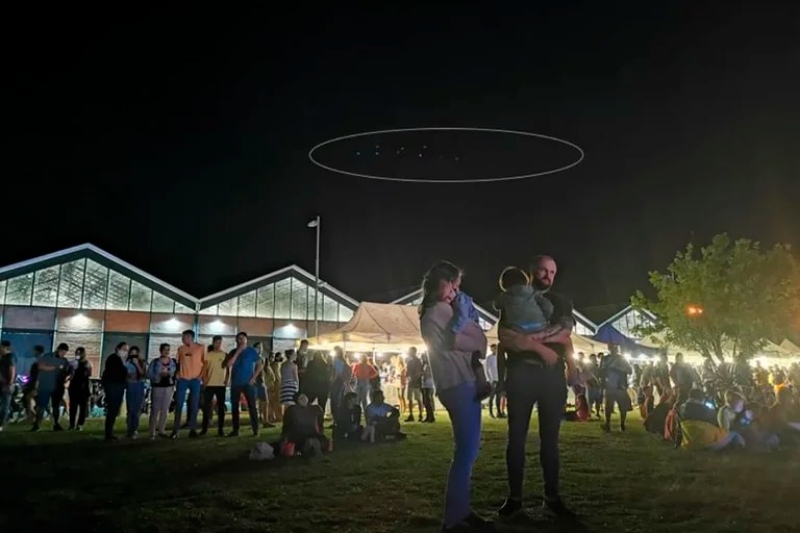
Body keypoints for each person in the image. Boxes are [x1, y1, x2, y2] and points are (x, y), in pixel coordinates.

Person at [497, 255, 575, 520]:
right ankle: (514, 498)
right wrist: (539, 345)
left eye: (552, 271)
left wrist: (528, 340)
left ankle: (551, 497)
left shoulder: (561, 301)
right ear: (530, 271)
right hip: (520, 375)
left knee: (550, 440)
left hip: (552, 376)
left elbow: (566, 336)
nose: (548, 275)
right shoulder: (510, 299)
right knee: (516, 438)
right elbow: (505, 339)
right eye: (543, 269)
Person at [418, 260, 491, 532]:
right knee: (466, 453)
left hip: (454, 384)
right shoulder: (440, 311)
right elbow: (471, 342)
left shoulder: (431, 311)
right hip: (458, 382)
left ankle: (461, 510)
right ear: (443, 282)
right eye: (454, 285)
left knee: (466, 451)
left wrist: (477, 340)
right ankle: (454, 518)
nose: (456, 292)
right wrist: (479, 340)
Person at [494, 266, 577, 383]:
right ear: (525, 280)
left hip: (518, 331)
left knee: (502, 346)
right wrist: (546, 317)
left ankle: (500, 383)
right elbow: (547, 306)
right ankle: (573, 375)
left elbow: (497, 307)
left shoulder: (505, 297)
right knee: (566, 340)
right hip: (539, 329)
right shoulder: (533, 293)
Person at [225, 331, 261, 437]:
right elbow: (228, 364)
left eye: (242, 338)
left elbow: (260, 364)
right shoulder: (233, 352)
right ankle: (235, 430)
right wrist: (238, 352)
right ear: (236, 340)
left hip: (248, 384)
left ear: (246, 340)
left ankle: (255, 429)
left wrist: (253, 377)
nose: (240, 340)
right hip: (235, 383)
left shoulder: (251, 351)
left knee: (252, 406)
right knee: (235, 407)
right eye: (238, 339)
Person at [172, 329, 206, 439]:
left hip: (195, 380)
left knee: (194, 404)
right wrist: (177, 373)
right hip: (182, 379)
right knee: (179, 403)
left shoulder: (200, 348)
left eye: (184, 337)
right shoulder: (181, 349)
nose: (182, 339)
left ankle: (192, 429)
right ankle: (175, 430)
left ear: (190, 337)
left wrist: (200, 376)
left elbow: (205, 363)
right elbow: (178, 363)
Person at [31, 343, 71, 432]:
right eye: (62, 352)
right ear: (58, 349)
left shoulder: (64, 361)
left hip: (58, 386)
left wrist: (67, 379)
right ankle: (37, 425)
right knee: (42, 405)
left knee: (56, 405)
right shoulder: (48, 357)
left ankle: (56, 424)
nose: (63, 354)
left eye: (64, 353)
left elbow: (68, 372)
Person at [281, 392, 327, 456]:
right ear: (297, 401)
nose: (304, 399)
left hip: (313, 433)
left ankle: (317, 453)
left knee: (315, 441)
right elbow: (287, 426)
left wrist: (320, 432)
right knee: (311, 441)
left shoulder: (315, 409)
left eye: (304, 397)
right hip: (299, 435)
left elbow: (320, 424)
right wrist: (285, 437)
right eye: (301, 398)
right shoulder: (292, 411)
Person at [598, 347, 633, 432]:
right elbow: (600, 371)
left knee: (622, 407)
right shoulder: (605, 359)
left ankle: (622, 424)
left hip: (620, 386)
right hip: (608, 385)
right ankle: (607, 424)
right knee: (608, 406)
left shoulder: (621, 359)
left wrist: (618, 369)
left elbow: (629, 370)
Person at [200, 335, 228, 436]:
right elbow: (205, 368)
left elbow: (228, 369)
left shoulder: (225, 355)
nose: (218, 344)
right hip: (210, 384)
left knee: (221, 408)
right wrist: (204, 380)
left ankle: (221, 430)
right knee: (207, 408)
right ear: (213, 343)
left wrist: (226, 380)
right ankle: (204, 429)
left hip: (220, 385)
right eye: (216, 342)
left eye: (219, 342)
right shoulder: (209, 355)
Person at [148, 343, 177, 439]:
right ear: (161, 350)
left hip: (168, 387)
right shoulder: (155, 362)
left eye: (168, 349)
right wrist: (158, 376)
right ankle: (152, 431)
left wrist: (169, 374)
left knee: (165, 409)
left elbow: (174, 373)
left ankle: (161, 430)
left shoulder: (172, 362)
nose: (166, 351)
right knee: (155, 409)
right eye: (164, 349)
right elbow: (150, 374)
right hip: (157, 387)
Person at [102, 342, 128, 441]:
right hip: (113, 386)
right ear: (118, 349)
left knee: (114, 409)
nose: (125, 352)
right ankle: (108, 434)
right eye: (123, 349)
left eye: (126, 350)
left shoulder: (121, 360)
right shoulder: (113, 359)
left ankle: (110, 432)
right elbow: (119, 372)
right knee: (112, 409)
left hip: (118, 386)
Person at [67, 347, 92, 431]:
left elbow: (89, 374)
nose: (77, 355)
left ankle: (80, 424)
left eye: (79, 353)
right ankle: (71, 424)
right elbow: (69, 373)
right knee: (73, 406)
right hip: (74, 386)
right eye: (76, 353)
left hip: (83, 386)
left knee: (83, 407)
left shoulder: (87, 363)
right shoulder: (72, 363)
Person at [124, 346, 146, 438]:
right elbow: (124, 375)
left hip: (139, 386)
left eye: (135, 353)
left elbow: (143, 374)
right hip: (130, 386)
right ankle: (129, 429)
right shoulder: (126, 363)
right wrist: (128, 376)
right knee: (130, 409)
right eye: (131, 353)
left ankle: (135, 429)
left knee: (137, 409)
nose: (133, 355)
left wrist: (137, 365)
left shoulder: (142, 362)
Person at [0, 340, 16, 431]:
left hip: (6, 385)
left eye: (0, 347)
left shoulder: (10, 357)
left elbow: (12, 370)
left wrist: (9, 384)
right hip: (2, 384)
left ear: (5, 347)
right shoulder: (3, 357)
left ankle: (1, 424)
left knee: (5, 405)